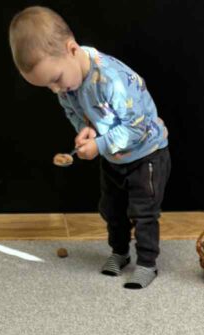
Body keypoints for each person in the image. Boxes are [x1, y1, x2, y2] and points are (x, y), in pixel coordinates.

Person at [10, 6, 169, 289]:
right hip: (113, 157)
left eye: (55, 79)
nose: (56, 90)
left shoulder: (111, 79)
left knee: (143, 213)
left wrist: (99, 144)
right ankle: (119, 252)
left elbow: (137, 127)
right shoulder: (66, 86)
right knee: (111, 209)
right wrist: (86, 130)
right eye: (47, 86)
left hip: (146, 155)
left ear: (72, 50)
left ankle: (147, 263)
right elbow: (75, 113)